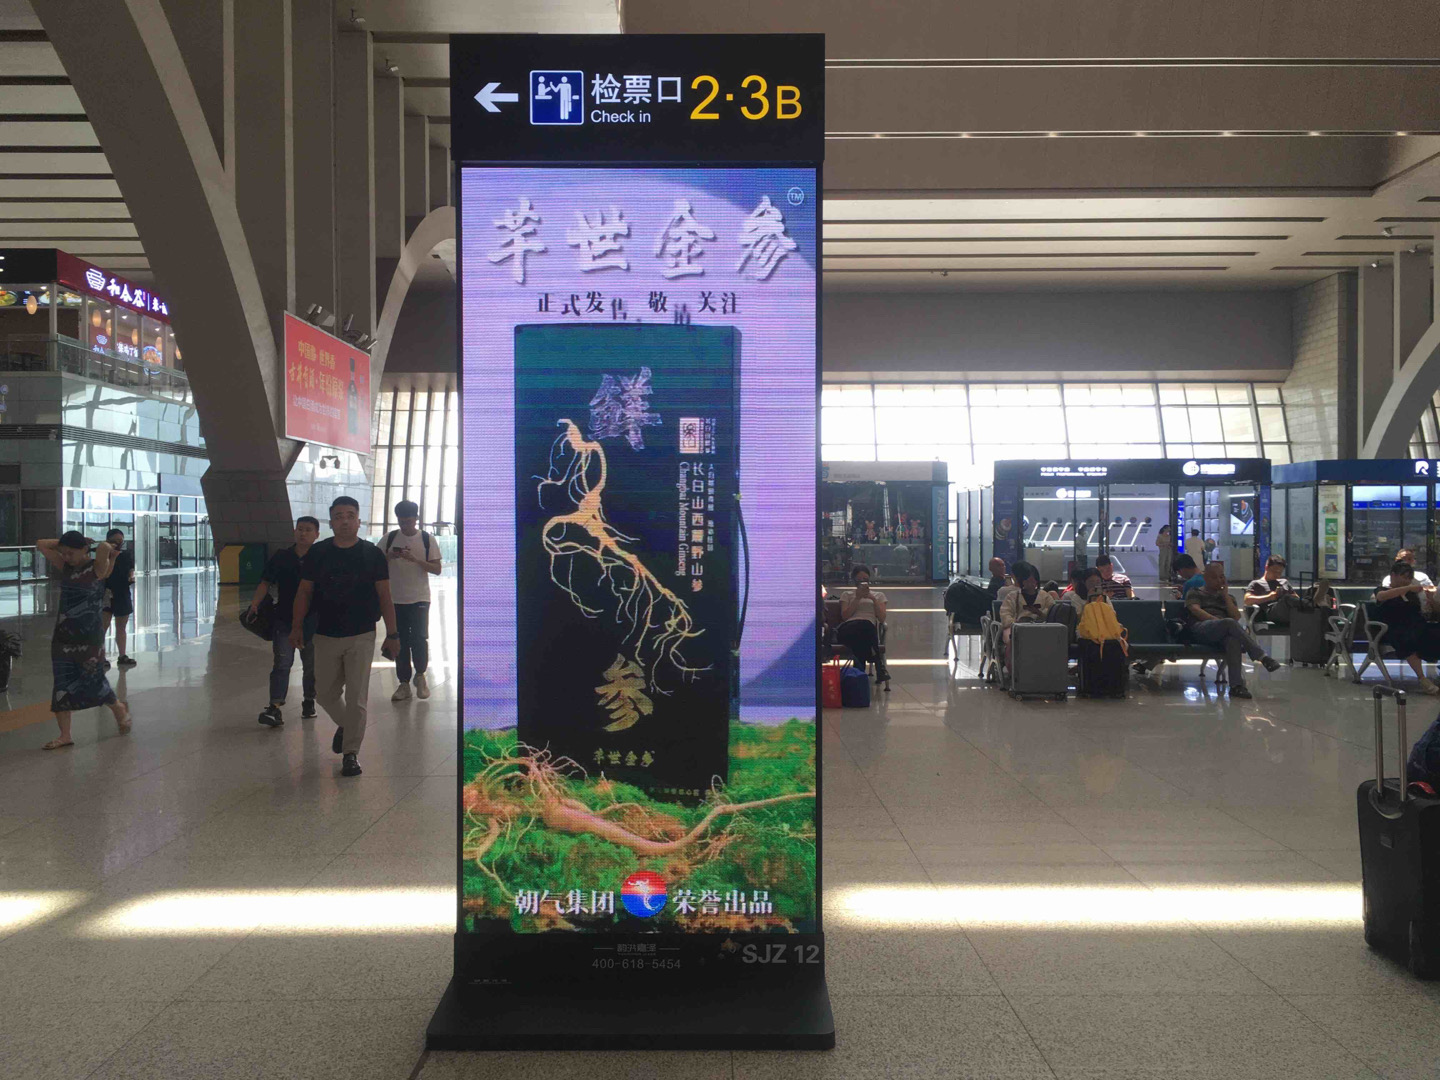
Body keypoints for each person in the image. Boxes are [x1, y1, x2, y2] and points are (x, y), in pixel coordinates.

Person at [292, 496, 400, 777]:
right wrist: (296, 626)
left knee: (357, 698)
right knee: (324, 693)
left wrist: (393, 633)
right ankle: (346, 725)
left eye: (350, 516)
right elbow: (304, 591)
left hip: (361, 634)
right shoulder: (318, 553)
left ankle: (351, 753)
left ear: (359, 521)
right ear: (331, 523)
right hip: (325, 633)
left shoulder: (371, 554)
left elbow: (384, 595)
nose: (345, 521)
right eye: (339, 516)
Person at [36, 532, 131, 749]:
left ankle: (117, 707)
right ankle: (65, 735)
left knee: (93, 678)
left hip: (89, 636)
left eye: (71, 553)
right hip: (63, 635)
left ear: (84, 551)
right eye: (63, 553)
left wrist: (102, 546)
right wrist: (66, 544)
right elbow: (41, 543)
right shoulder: (66, 566)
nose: (66, 557)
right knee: (61, 683)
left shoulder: (96, 568)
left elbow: (104, 548)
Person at [249, 516, 320, 727]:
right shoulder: (282, 557)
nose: (303, 533)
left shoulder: (321, 558)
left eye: (308, 530)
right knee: (281, 663)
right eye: (300, 529)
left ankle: (309, 700)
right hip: (284, 619)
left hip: (313, 621)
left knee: (311, 666)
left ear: (316, 534)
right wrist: (255, 604)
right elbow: (265, 582)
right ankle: (275, 707)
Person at [1185, 561, 1281, 699]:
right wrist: (1217, 621)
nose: (1219, 580)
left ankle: (1236, 686)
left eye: (1221, 577)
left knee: (1233, 640)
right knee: (1229, 623)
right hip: (1201, 629)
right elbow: (1195, 610)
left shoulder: (1229, 598)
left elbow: (1236, 616)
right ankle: (1261, 656)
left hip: (1223, 631)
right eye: (1214, 577)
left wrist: (1225, 596)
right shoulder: (1195, 592)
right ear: (1205, 577)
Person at [379, 499, 443, 701]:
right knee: (399, 640)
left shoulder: (426, 539)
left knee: (419, 638)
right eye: (401, 521)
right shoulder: (389, 538)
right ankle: (404, 683)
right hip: (394, 599)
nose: (405, 525)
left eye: (408, 521)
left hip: (419, 598)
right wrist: (389, 556)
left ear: (416, 518)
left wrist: (415, 560)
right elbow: (375, 564)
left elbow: (437, 569)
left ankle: (420, 676)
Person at [1373, 560, 1440, 694]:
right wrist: (1408, 588)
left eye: (1409, 578)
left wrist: (1430, 600)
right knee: (1407, 639)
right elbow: (1381, 597)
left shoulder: (1412, 595)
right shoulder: (1382, 591)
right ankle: (1422, 678)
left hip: (1418, 625)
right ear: (1393, 575)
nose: (1407, 581)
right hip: (1396, 629)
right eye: (1404, 577)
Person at [837, 565, 889, 682]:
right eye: (859, 579)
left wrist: (873, 599)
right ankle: (878, 665)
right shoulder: (847, 594)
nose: (862, 582)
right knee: (865, 626)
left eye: (865, 579)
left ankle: (859, 673)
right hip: (849, 628)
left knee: (864, 631)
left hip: (865, 632)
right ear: (854, 580)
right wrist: (857, 598)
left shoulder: (879, 595)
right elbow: (845, 616)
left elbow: (881, 618)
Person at [100, 528, 136, 669]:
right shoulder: (103, 555)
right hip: (106, 592)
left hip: (122, 592)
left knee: (121, 626)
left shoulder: (125, 555)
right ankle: (100, 656)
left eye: (120, 540)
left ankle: (122, 655)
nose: (118, 543)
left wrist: (131, 576)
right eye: (114, 541)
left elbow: (130, 568)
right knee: (103, 626)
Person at [1000, 560, 1056, 642]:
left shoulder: (1045, 596)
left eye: (1033, 580)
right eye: (1027, 580)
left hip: (1041, 629)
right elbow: (1005, 614)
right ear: (1022, 581)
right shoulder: (1012, 596)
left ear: (1036, 581)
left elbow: (1052, 614)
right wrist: (1015, 623)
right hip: (1016, 628)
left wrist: (1040, 613)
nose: (1030, 583)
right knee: (1009, 636)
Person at [1244, 554, 1299, 627]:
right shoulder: (1257, 583)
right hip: (1270, 611)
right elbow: (1247, 600)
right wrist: (1269, 597)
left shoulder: (1284, 582)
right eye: (1274, 571)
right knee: (1287, 598)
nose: (1277, 575)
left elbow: (1296, 598)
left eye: (1280, 572)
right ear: (1266, 567)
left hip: (1288, 609)